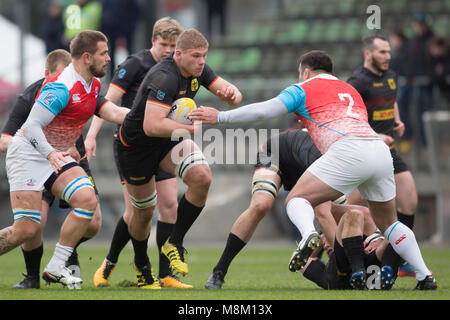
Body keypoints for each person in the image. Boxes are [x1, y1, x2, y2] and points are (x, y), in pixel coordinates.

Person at [190, 50, 437, 290]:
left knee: (296, 199)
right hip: (377, 150)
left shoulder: (303, 88)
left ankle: (307, 236)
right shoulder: (349, 90)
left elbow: (264, 110)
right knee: (391, 223)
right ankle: (425, 275)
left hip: (347, 151)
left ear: (305, 72)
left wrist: (220, 117)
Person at [110, 28, 242, 289]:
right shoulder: (164, 77)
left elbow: (228, 91)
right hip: (136, 148)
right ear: (179, 54)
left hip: (167, 142)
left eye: (204, 56)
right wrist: (192, 129)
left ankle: (175, 242)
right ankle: (141, 265)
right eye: (196, 56)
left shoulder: (197, 68)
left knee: (202, 176)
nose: (202, 61)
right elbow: (151, 126)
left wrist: (232, 95)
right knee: (144, 212)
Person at [0, 30, 130, 290]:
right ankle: (46, 269)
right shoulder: (61, 86)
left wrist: (151, 117)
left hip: (55, 156)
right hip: (28, 156)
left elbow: (113, 111)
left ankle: (55, 266)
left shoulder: (91, 85)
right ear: (86, 57)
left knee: (87, 200)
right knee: (26, 229)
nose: (108, 58)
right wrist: (50, 152)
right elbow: (33, 126)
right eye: (103, 53)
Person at [86, 17, 191, 288]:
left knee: (170, 207)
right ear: (153, 41)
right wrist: (92, 134)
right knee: (137, 213)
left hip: (162, 143)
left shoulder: (181, 68)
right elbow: (108, 101)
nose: (168, 50)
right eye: (163, 44)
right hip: (132, 146)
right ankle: (109, 264)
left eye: (173, 45)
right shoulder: (136, 64)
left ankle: (166, 275)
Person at [204, 129, 374, 289]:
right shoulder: (324, 156)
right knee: (260, 205)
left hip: (307, 163)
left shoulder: (346, 157)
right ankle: (220, 270)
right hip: (276, 153)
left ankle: (317, 255)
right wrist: (343, 262)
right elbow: (322, 214)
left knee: (347, 218)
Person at [347, 35, 419, 278]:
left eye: (388, 52)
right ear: (368, 54)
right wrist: (376, 135)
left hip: (389, 152)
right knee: (350, 208)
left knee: (409, 198)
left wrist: (396, 120)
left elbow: (392, 99)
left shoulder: (391, 76)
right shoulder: (357, 81)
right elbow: (349, 119)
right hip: (366, 151)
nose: (387, 57)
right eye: (381, 52)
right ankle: (335, 253)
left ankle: (399, 258)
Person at [301, 208, 389, 290]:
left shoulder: (361, 240)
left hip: (369, 271)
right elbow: (300, 260)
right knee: (354, 214)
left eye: (326, 241)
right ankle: (360, 270)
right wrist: (320, 241)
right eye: (323, 245)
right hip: (351, 273)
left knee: (392, 236)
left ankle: (361, 270)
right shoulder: (326, 273)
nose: (325, 246)